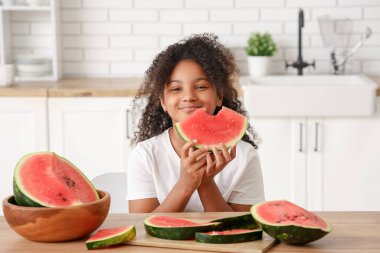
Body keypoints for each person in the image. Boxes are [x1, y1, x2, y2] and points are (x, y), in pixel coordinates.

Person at [127, 33, 264, 213]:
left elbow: (245, 229)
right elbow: (140, 228)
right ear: (163, 102)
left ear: (219, 96)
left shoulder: (244, 156)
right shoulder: (145, 156)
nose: (189, 96)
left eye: (201, 87)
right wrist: (186, 183)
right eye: (176, 89)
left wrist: (206, 183)